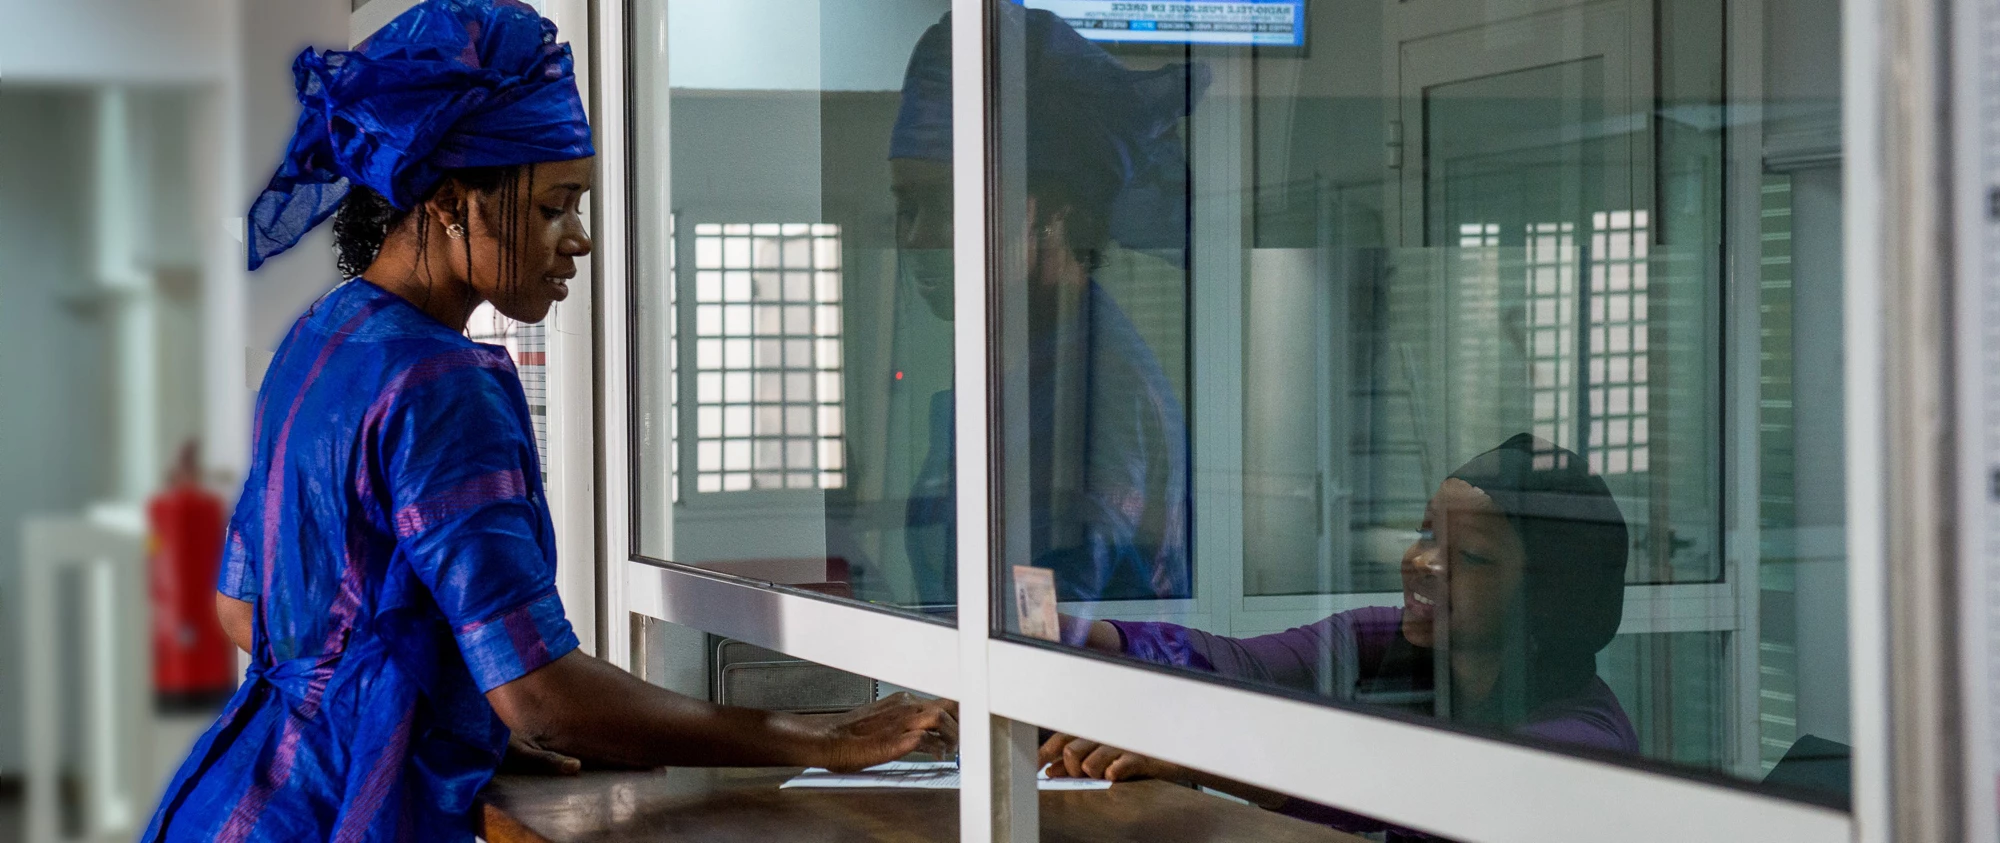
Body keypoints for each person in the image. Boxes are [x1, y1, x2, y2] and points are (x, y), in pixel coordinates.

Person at [144, 4, 955, 841]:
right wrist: (808, 735)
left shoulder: (324, 338)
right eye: (554, 207)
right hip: (350, 811)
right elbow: (539, 696)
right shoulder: (438, 384)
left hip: (237, 795)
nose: (581, 240)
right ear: (455, 202)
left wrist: (451, 722)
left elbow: (243, 609)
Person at [1039, 433, 1637, 840]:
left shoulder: (1584, 740)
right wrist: (1062, 634)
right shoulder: (1392, 643)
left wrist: (1201, 751)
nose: (1424, 562)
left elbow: (1410, 788)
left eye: (1472, 557)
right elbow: (1238, 664)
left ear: (1545, 599)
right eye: (1427, 532)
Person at [893, 8, 1205, 607]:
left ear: (1053, 214)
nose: (916, 239)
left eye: (948, 205)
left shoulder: (1095, 388)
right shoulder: (1014, 356)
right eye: (908, 209)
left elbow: (1046, 623)